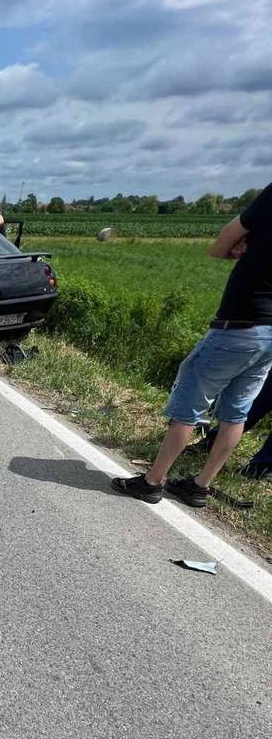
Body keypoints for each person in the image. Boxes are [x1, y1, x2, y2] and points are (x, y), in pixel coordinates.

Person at [112, 181, 272, 507]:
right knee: (236, 413)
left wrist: (244, 244)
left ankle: (152, 481)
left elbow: (219, 246)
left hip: (239, 326)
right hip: (270, 335)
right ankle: (200, 486)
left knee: (188, 407)